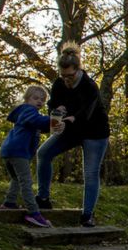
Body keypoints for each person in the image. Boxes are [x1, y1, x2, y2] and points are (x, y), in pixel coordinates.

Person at [35, 42, 111, 227]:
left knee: (91, 173)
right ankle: (43, 198)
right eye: (63, 76)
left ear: (78, 70)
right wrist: (55, 114)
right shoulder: (59, 84)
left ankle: (87, 215)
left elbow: (86, 113)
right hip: (70, 129)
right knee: (43, 153)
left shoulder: (89, 86)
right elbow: (52, 104)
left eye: (70, 76)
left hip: (94, 131)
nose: (67, 80)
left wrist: (70, 119)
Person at [0, 84, 54, 228]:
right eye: (35, 98)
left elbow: (41, 127)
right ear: (26, 99)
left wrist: (54, 123)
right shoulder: (28, 110)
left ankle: (9, 202)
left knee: (16, 178)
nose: (39, 102)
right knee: (26, 182)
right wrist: (54, 117)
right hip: (18, 152)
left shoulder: (28, 113)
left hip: (10, 151)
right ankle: (33, 213)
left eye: (42, 100)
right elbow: (37, 121)